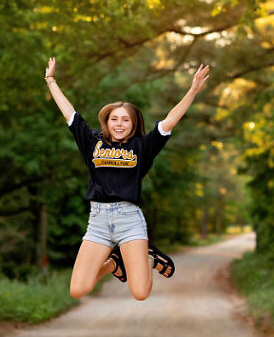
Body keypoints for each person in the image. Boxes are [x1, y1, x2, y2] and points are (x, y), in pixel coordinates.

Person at [45, 56, 210, 301]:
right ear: (107, 122)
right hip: (98, 222)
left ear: (133, 125)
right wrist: (51, 81)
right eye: (114, 119)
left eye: (125, 120)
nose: (119, 124)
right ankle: (114, 264)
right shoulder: (92, 141)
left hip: (129, 221)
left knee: (141, 293)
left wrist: (192, 90)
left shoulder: (143, 146)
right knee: (78, 289)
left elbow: (170, 121)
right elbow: (70, 114)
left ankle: (149, 258)